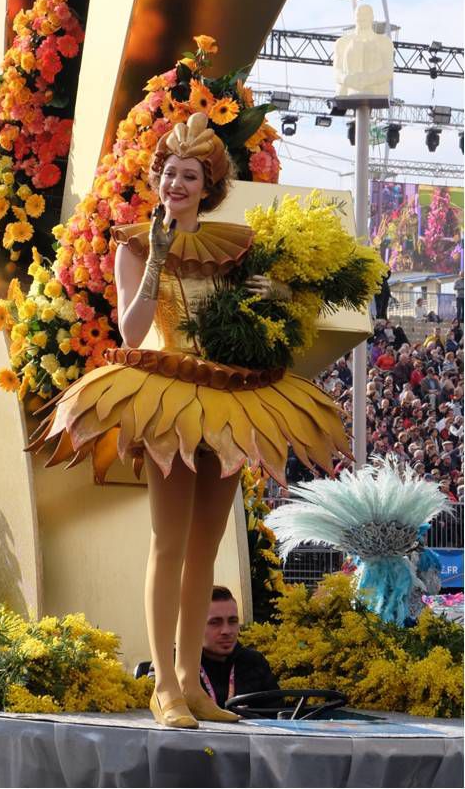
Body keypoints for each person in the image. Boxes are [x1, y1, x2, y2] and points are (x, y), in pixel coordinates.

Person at [30, 112, 351, 729]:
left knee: (204, 548)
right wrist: (154, 255)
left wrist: (276, 299)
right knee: (168, 541)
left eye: (190, 175)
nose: (176, 184)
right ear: (156, 180)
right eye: (169, 173)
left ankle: (190, 683)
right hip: (167, 398)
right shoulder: (132, 243)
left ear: (209, 185)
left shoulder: (232, 247)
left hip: (228, 398)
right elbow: (129, 329)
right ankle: (164, 687)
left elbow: (251, 324)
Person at [200, 587, 278, 707]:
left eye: (232, 621)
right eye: (215, 622)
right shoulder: (177, 667)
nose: (226, 631)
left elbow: (278, 714)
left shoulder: (255, 662)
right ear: (194, 626)